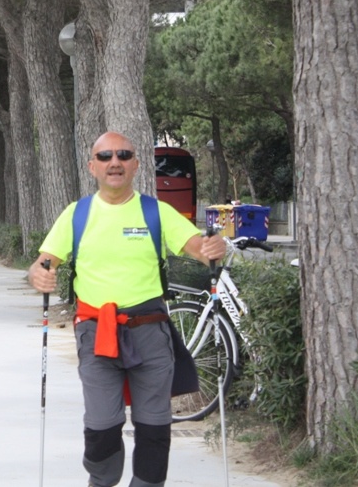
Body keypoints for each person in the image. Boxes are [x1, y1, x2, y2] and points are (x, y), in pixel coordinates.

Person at [28, 132, 225, 487]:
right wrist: (39, 275)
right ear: (92, 166)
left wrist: (212, 247)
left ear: (136, 164)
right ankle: (102, 480)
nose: (114, 162)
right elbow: (42, 263)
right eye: (105, 156)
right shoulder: (77, 214)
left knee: (154, 427)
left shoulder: (156, 211)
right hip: (96, 334)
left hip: (150, 332)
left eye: (123, 155)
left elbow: (199, 247)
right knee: (101, 427)